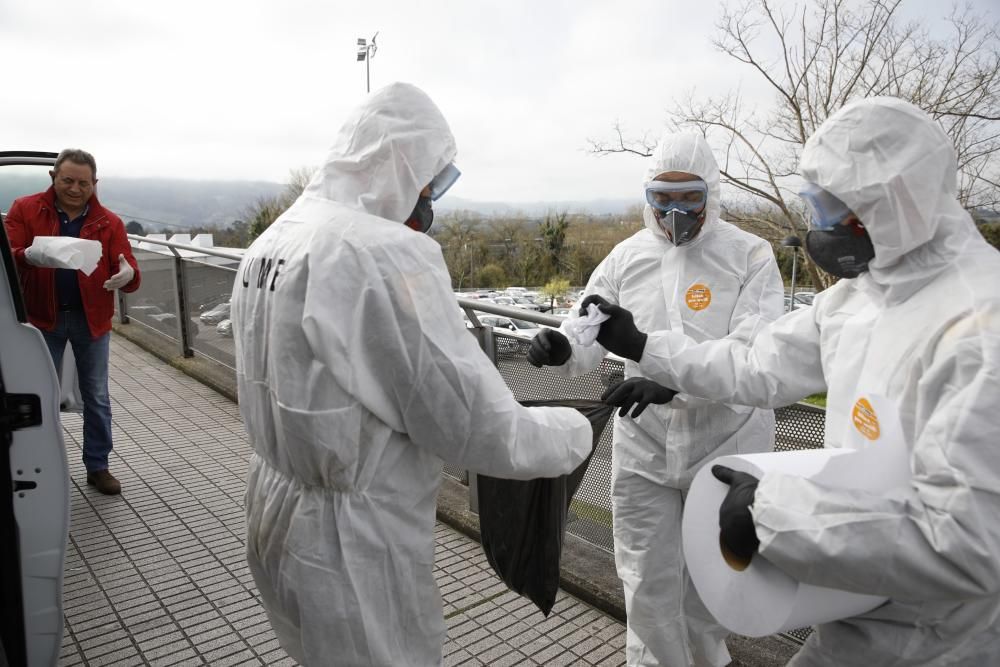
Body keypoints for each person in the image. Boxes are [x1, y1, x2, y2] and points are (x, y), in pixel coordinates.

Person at [583, 97, 1000, 666]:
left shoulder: (979, 327)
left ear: (892, 203)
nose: (819, 227)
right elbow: (757, 365)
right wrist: (645, 348)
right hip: (852, 603)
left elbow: (970, 545)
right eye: (816, 204)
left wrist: (776, 514)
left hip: (943, 639)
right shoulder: (861, 298)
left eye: (832, 207)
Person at [230, 82, 593, 667]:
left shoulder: (274, 242)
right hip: (353, 544)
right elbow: (468, 419)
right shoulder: (377, 252)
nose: (429, 200)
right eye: (430, 180)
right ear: (396, 163)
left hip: (276, 508)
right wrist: (573, 430)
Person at [528, 131, 785, 666]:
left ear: (711, 192)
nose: (674, 211)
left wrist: (672, 382)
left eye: (689, 196)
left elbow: (751, 353)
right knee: (644, 579)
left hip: (724, 443)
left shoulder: (749, 256)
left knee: (709, 586)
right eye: (661, 198)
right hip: (644, 445)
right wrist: (560, 348)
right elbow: (590, 331)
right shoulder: (626, 259)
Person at [4, 149, 140, 495]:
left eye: (84, 183)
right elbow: (8, 253)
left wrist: (127, 275)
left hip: (90, 320)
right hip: (41, 318)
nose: (76, 189)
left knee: (96, 395)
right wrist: (28, 256)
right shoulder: (25, 208)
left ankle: (98, 465)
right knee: (40, 394)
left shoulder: (109, 222)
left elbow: (129, 269)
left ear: (95, 184)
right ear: (53, 177)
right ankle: (41, 462)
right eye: (68, 180)